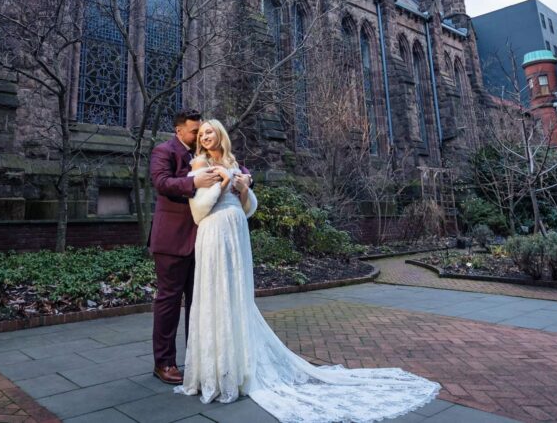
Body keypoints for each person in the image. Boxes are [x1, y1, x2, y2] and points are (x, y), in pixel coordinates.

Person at [176, 119, 440, 422]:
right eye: (203, 134)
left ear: (221, 135)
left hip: (237, 233)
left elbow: (249, 208)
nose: (206, 137)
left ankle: (239, 365)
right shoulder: (199, 164)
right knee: (216, 297)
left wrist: (242, 188)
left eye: (211, 132)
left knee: (237, 298)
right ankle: (216, 372)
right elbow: (198, 212)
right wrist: (223, 182)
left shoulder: (235, 163)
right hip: (214, 234)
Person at [148, 109, 250, 385]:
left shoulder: (205, 154)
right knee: (169, 302)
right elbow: (161, 182)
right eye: (195, 131)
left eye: (203, 130)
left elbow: (235, 168)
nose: (199, 135)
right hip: (172, 239)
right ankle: (164, 363)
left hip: (206, 241)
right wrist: (194, 182)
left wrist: (246, 178)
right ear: (179, 131)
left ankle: (199, 360)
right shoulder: (164, 151)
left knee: (201, 303)